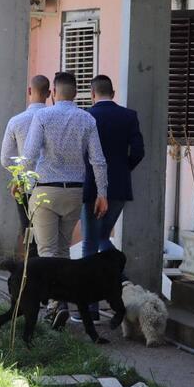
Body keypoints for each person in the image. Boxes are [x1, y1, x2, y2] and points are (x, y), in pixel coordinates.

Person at [22, 71, 108, 329]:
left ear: (54, 94)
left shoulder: (42, 116)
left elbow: (29, 155)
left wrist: (23, 183)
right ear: (76, 93)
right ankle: (60, 302)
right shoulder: (87, 119)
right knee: (62, 251)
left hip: (46, 191)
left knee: (47, 251)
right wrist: (102, 193)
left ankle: (55, 306)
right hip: (74, 193)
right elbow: (98, 160)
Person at [72, 74, 144, 323]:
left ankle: (91, 308)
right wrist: (123, 170)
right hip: (119, 187)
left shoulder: (86, 116)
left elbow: (79, 152)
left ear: (92, 94)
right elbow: (139, 151)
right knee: (102, 237)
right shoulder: (129, 116)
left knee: (90, 245)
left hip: (92, 187)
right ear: (113, 93)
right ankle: (119, 277)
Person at [0, 74, 50, 258]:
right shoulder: (54, 119)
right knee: (51, 237)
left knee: (28, 229)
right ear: (49, 93)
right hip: (51, 184)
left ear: (29, 91)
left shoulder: (16, 121)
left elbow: (6, 159)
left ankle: (30, 266)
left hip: (25, 186)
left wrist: (20, 174)